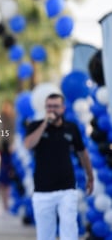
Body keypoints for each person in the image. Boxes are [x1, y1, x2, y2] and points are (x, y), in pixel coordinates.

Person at [23, 93, 94, 240]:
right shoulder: (35, 125)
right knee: (45, 234)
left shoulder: (71, 128)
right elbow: (28, 144)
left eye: (56, 106)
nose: (52, 110)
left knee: (69, 230)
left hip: (66, 189)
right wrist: (45, 124)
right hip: (43, 191)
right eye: (49, 106)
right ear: (45, 108)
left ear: (63, 108)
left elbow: (82, 153)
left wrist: (90, 176)